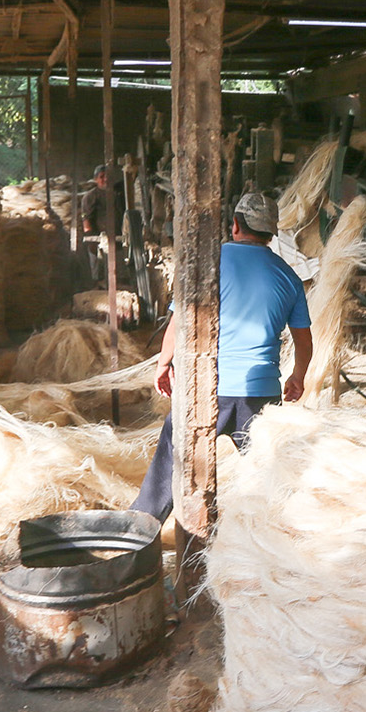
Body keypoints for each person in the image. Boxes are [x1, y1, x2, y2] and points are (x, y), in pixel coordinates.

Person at [130, 192, 312, 521]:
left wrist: (163, 363)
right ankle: (271, 535)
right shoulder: (289, 276)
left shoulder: (209, 262)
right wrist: (298, 376)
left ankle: (140, 527)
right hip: (261, 394)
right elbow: (303, 338)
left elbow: (180, 320)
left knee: (172, 461)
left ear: (235, 224)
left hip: (207, 387)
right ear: (271, 233)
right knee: (264, 476)